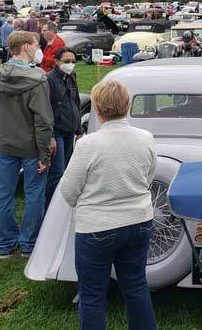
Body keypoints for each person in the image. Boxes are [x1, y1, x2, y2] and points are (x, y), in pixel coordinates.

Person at [60, 79, 157, 330]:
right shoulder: (146, 138)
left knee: (92, 295)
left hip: (97, 226)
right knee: (136, 285)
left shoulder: (88, 144)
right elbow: (148, 177)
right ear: (128, 106)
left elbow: (69, 190)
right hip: (139, 220)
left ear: (98, 109)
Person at [0, 30, 53, 258]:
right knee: (34, 195)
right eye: (35, 44)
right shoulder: (38, 78)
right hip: (31, 148)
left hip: (5, 145)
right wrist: (44, 154)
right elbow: (43, 121)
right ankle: (28, 244)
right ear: (27, 47)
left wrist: (2, 131)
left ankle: (6, 245)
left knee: (3, 194)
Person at [45, 47, 83, 210]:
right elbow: (46, 108)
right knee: (57, 172)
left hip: (70, 130)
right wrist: (51, 135)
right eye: (67, 61)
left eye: (73, 61)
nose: (70, 64)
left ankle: (63, 206)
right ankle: (50, 210)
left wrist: (79, 130)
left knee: (67, 169)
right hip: (57, 131)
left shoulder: (71, 77)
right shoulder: (49, 80)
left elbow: (76, 103)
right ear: (56, 62)